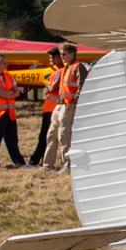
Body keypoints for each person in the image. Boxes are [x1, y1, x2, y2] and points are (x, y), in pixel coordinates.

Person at [42, 42, 87, 173]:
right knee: (51, 135)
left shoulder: (78, 68)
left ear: (72, 54)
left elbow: (82, 86)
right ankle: (47, 164)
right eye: (61, 54)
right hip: (60, 104)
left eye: (63, 54)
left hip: (68, 105)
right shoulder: (66, 68)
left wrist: (74, 101)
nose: (61, 56)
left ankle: (67, 165)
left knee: (64, 136)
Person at [0, 53, 25, 168]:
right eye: (4, 63)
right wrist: (10, 93)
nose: (6, 64)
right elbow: (2, 93)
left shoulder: (9, 76)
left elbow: (17, 92)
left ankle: (19, 161)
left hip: (9, 112)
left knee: (12, 138)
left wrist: (7, 94)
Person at [27, 47, 63, 166]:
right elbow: (48, 89)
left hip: (54, 109)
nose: (51, 60)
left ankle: (35, 160)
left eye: (53, 58)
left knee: (46, 137)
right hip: (48, 108)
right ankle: (42, 160)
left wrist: (48, 89)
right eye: (50, 58)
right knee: (45, 136)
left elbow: (51, 88)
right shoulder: (55, 73)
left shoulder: (61, 72)